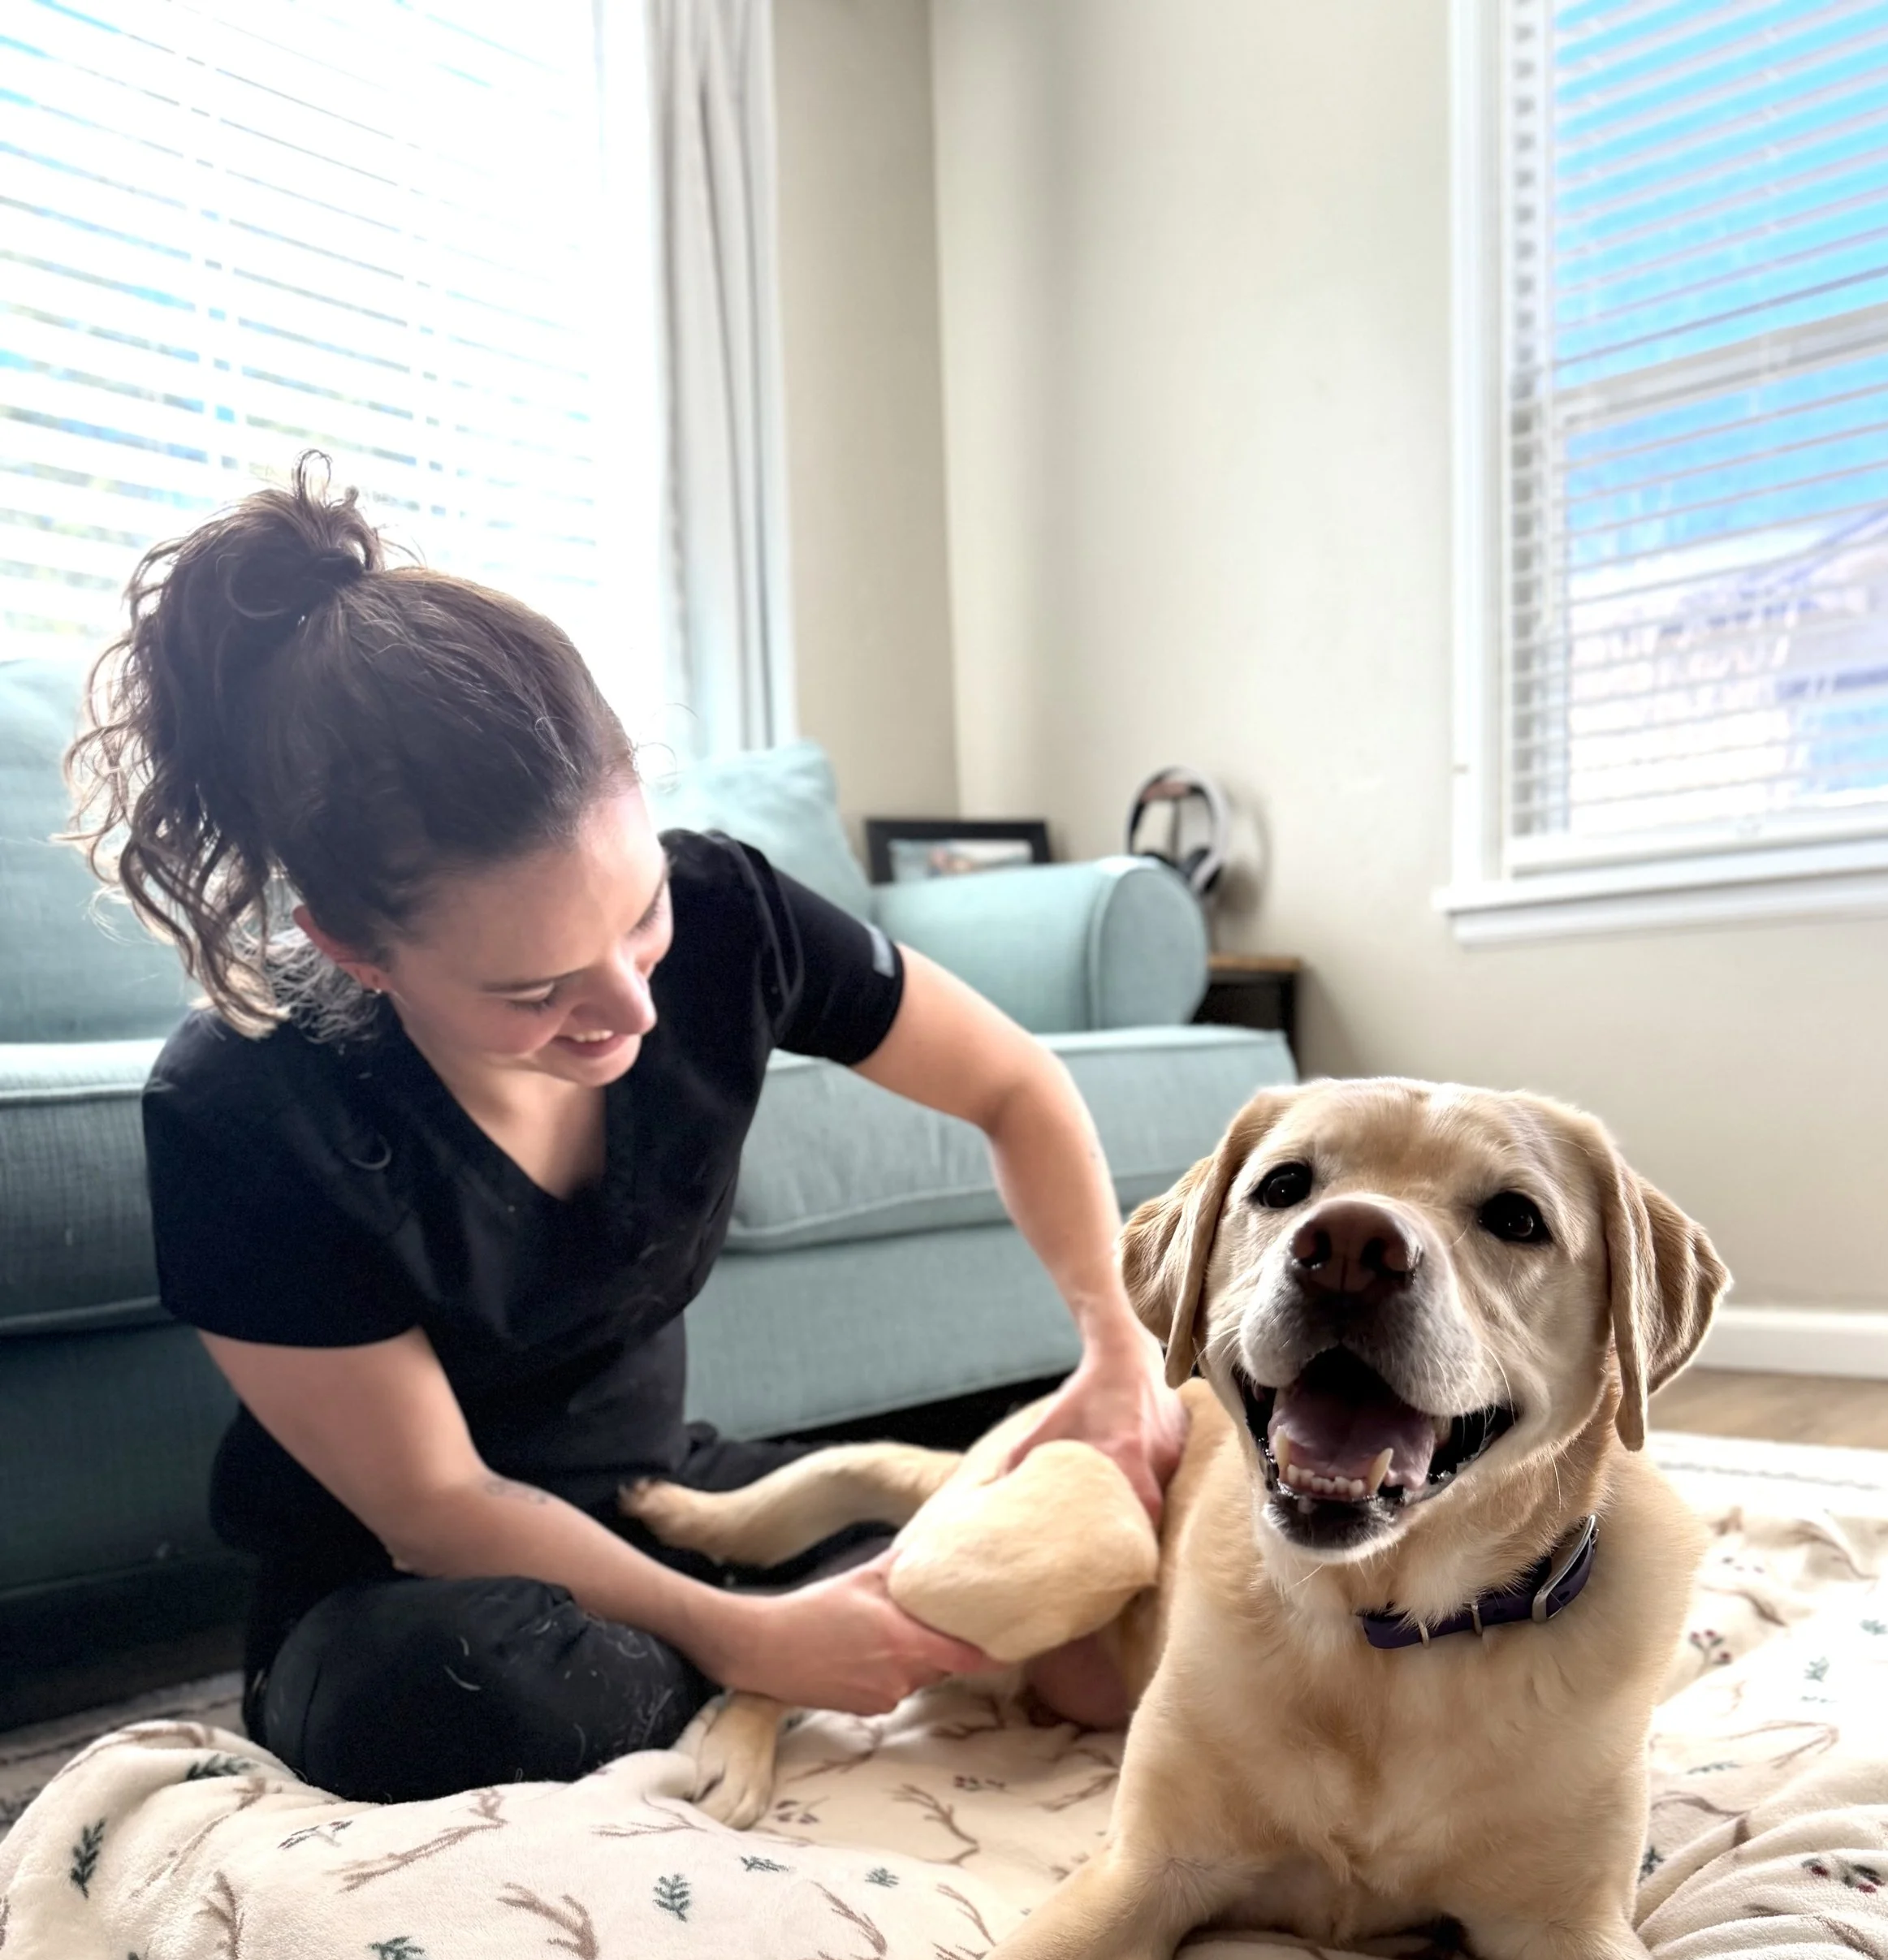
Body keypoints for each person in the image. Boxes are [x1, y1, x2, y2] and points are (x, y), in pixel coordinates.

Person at [72, 457, 1184, 1804]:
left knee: (1092, 1615)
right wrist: (759, 1637)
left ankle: (739, 1671)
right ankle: (742, 1675)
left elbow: (1013, 1085)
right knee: (460, 1706)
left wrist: (1114, 1344)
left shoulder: (728, 916)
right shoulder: (243, 1113)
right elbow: (436, 1512)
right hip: (420, 1592)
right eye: (535, 991)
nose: (631, 1010)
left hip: (668, 1498)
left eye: (640, 917)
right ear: (357, 951)